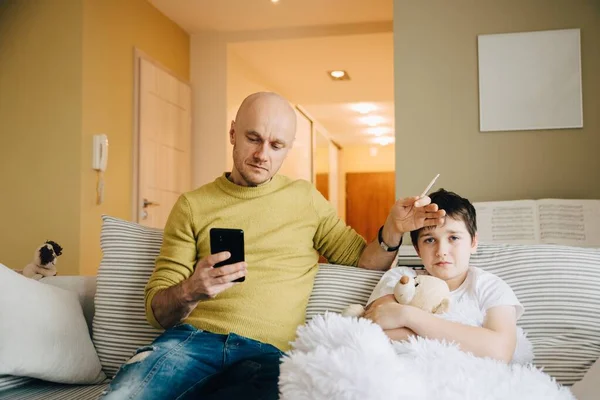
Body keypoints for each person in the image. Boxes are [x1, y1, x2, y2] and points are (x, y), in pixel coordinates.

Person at [100, 92, 445, 399]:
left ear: (287, 149)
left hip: (267, 354)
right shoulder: (192, 205)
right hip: (192, 341)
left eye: (276, 145)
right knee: (125, 394)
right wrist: (191, 289)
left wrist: (393, 229)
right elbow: (157, 310)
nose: (262, 154)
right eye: (253, 139)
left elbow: (363, 261)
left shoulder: (305, 199)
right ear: (233, 133)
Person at [364, 188, 523, 363]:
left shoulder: (489, 287)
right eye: (430, 240)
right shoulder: (402, 279)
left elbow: (500, 350)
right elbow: (373, 328)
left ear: (474, 242)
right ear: (417, 249)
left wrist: (408, 316)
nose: (442, 251)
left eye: (453, 238)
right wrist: (470, 341)